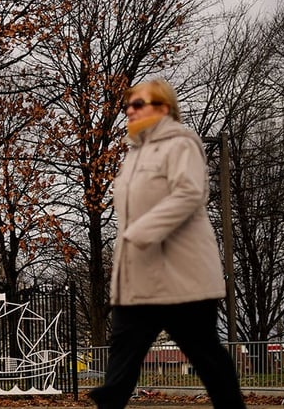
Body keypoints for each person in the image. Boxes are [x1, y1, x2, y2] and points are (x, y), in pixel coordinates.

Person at [88, 78, 245, 409]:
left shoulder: (181, 144)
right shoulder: (133, 156)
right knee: (122, 355)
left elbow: (189, 193)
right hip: (140, 279)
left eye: (138, 104)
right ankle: (109, 400)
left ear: (163, 108)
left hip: (181, 278)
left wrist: (140, 233)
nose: (129, 109)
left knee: (206, 356)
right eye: (128, 105)